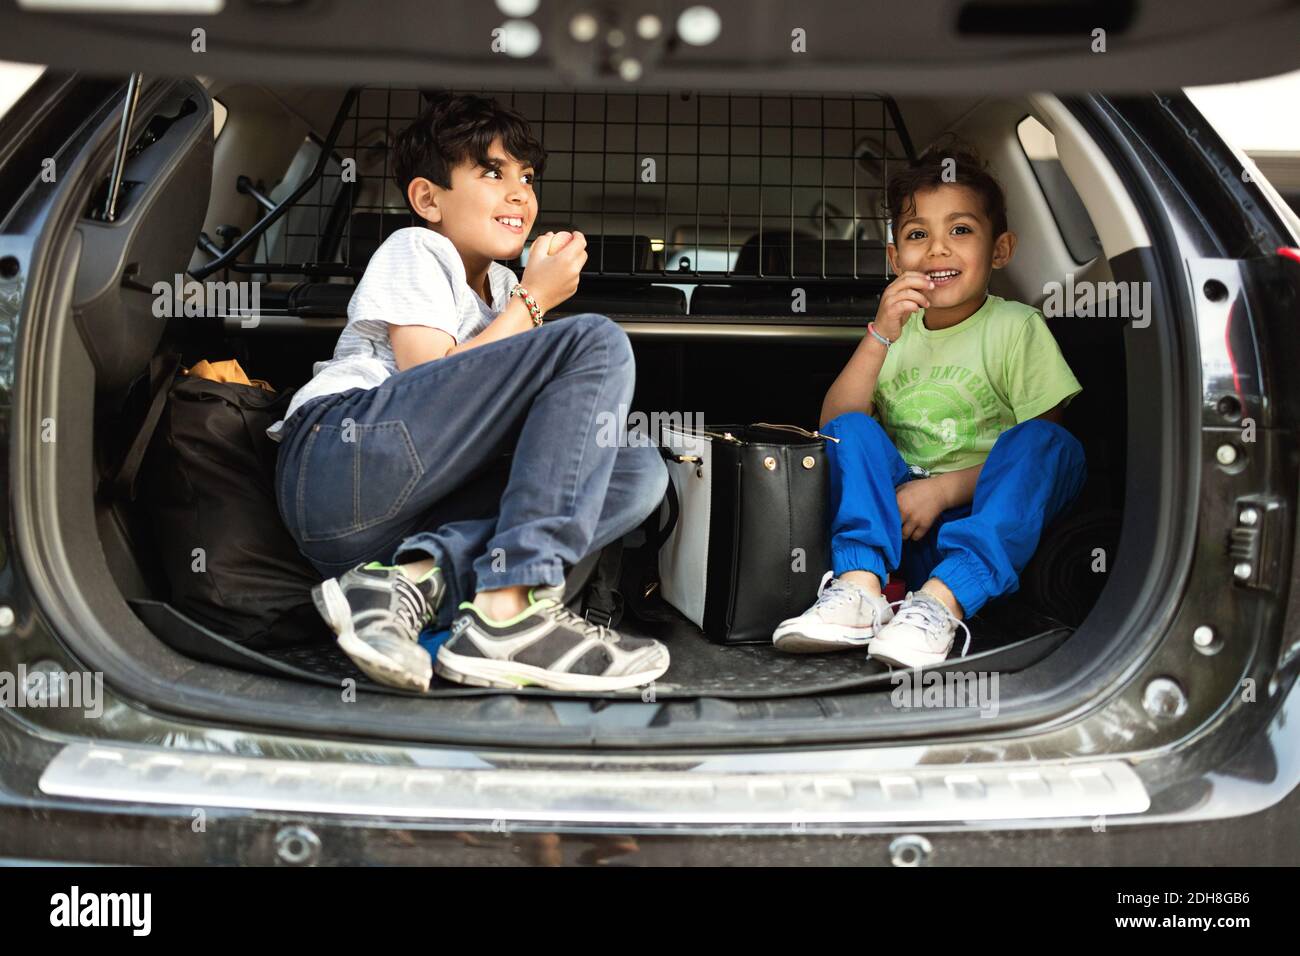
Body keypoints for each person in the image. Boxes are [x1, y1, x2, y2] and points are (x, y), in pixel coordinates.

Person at [269, 93, 670, 692]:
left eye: (527, 177)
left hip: (401, 523)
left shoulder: (506, 284)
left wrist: (522, 297)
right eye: (492, 171)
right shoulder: (416, 248)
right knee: (593, 341)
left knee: (638, 469)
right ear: (428, 199)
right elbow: (424, 375)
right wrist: (534, 302)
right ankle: (511, 610)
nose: (520, 194)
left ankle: (411, 578)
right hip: (342, 460)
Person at [772, 143, 1086, 667]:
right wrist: (879, 334)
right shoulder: (896, 333)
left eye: (960, 231)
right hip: (901, 525)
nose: (938, 250)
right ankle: (860, 590)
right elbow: (832, 426)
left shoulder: (1016, 327)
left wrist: (941, 491)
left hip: (991, 519)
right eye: (918, 235)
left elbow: (1039, 449)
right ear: (896, 258)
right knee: (853, 427)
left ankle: (941, 606)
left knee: (1049, 443)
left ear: (1000, 249)